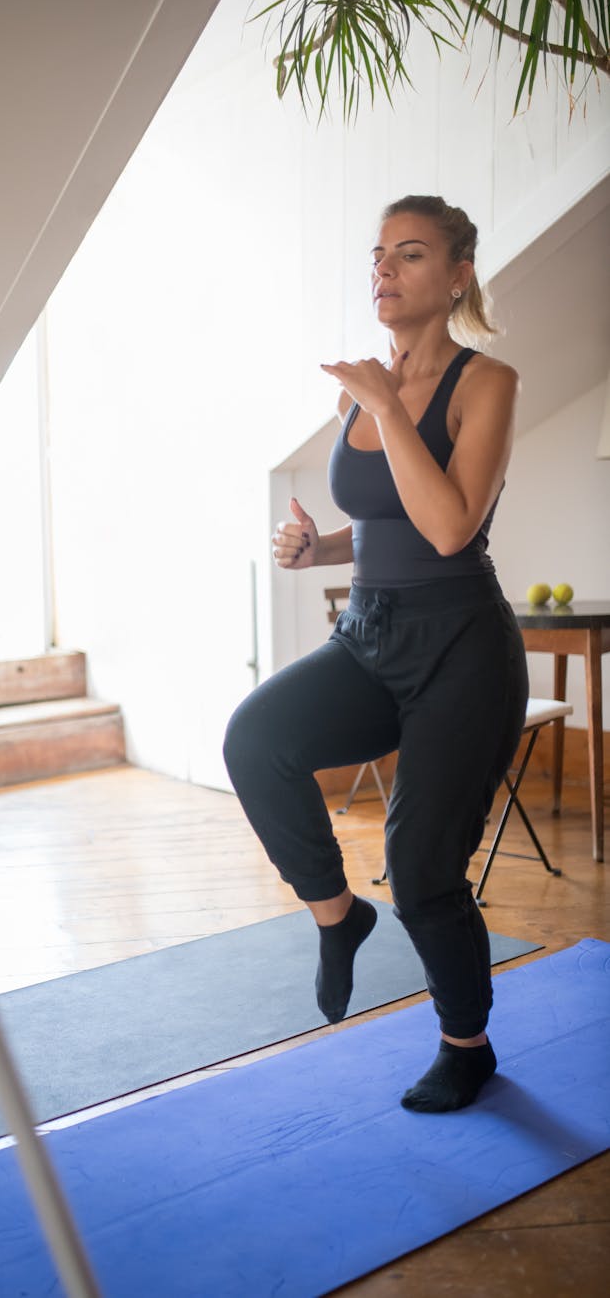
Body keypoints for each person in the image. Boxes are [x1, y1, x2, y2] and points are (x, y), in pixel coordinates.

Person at [223, 194, 528, 1113]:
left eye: (410, 254)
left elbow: (447, 527)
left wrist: (385, 402)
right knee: (256, 739)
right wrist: (314, 549)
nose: (385, 272)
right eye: (378, 256)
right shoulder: (363, 389)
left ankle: (465, 1044)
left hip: (462, 647)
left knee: (424, 863)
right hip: (368, 633)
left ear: (458, 274)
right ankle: (337, 914)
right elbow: (386, 515)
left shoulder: (487, 383)